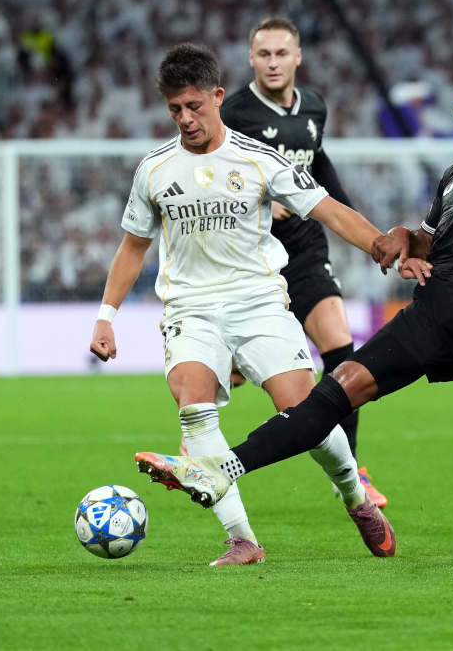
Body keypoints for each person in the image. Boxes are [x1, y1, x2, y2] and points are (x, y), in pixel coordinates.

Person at [134, 63, 453, 560]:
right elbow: (426, 242)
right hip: (432, 309)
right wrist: (402, 238)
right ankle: (221, 470)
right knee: (332, 394)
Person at [90, 43, 402, 565]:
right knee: (193, 405)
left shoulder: (259, 160)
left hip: (258, 303)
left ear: (217, 97)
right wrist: (106, 317)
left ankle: (355, 495)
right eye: (174, 110)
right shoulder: (154, 170)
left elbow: (327, 209)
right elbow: (133, 248)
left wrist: (380, 244)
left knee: (304, 415)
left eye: (194, 106)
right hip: (190, 308)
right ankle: (243, 539)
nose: (185, 119)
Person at [220, 17, 387, 508]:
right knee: (225, 368)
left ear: (298, 57)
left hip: (306, 248)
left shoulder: (314, 106)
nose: (273, 62)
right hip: (250, 255)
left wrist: (350, 213)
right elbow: (213, 171)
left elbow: (317, 161)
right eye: (264, 54)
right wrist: (258, 199)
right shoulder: (233, 112)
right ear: (251, 59)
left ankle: (351, 473)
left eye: (281, 53)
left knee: (342, 349)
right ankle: (200, 433)